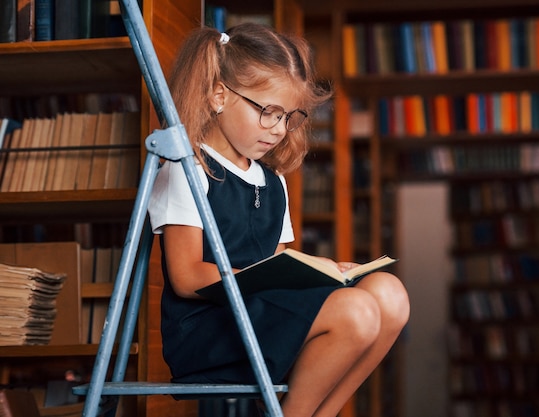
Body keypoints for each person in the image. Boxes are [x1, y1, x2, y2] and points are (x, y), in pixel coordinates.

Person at [147, 22, 410, 417]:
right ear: (220, 95)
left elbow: (278, 269)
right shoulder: (189, 169)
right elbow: (186, 278)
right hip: (210, 332)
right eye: (268, 112)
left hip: (262, 320)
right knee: (355, 311)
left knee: (389, 294)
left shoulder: (273, 181)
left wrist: (323, 273)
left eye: (289, 117)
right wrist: (287, 275)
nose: (279, 130)